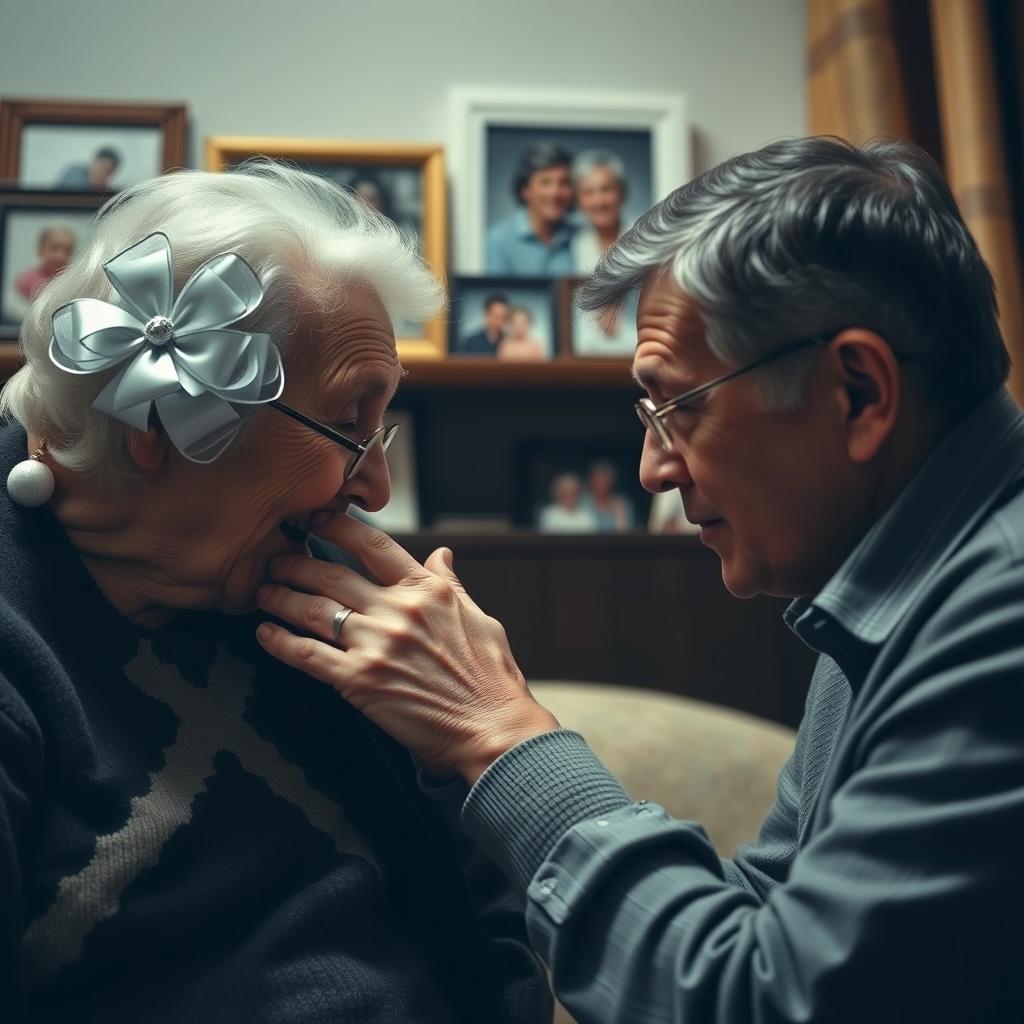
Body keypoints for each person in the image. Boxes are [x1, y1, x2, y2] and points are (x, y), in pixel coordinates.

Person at [253, 137, 1024, 1023]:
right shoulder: (894, 587)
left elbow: (756, 1003)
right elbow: (766, 919)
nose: (653, 469)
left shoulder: (998, 614)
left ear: (857, 391)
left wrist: (499, 736)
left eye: (678, 406)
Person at [0, 161, 550, 1023]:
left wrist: (479, 736)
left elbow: (495, 930)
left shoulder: (319, 600)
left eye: (384, 426)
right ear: (154, 424)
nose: (375, 491)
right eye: (347, 426)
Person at [485, 143, 576, 276]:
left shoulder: (579, 236)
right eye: (545, 182)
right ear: (525, 190)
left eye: (564, 183)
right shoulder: (498, 240)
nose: (555, 193)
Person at [570, 150, 630, 274]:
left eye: (606, 189)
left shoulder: (648, 237)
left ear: (622, 193)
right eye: (588, 192)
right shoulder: (575, 244)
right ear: (578, 200)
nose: (599, 202)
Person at [13, 226, 76, 302]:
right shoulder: (26, 281)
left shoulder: (74, 280)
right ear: (40, 250)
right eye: (54, 248)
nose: (60, 255)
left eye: (67, 250)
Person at [582, 459, 633, 532]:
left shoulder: (621, 503)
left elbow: (626, 531)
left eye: (605, 477)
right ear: (590, 480)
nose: (601, 482)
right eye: (598, 478)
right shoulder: (582, 501)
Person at [55, 146, 121, 190]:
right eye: (99, 167)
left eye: (105, 171)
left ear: (111, 174)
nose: (100, 173)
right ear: (93, 163)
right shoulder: (73, 173)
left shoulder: (110, 195)